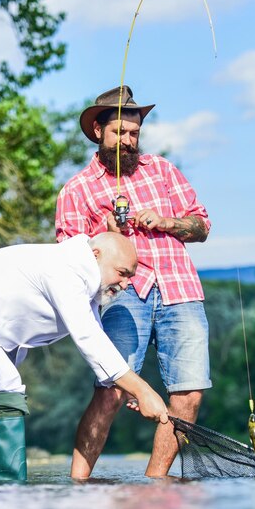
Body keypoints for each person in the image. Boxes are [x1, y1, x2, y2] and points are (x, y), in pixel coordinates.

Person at [0, 232, 168, 481]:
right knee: (4, 389)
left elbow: (100, 345)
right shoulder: (66, 269)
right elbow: (89, 339)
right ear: (96, 254)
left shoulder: (85, 283)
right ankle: (7, 492)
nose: (125, 284)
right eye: (122, 273)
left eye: (130, 277)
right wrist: (144, 391)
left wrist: (130, 390)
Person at [56, 85, 212, 479]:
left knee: (189, 394)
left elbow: (202, 224)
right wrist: (104, 236)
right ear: (97, 132)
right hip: (124, 296)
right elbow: (67, 259)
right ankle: (78, 483)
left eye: (134, 134)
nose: (128, 141)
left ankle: (155, 483)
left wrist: (168, 222)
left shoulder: (162, 170)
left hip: (181, 290)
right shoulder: (76, 190)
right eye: (118, 133)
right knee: (112, 390)